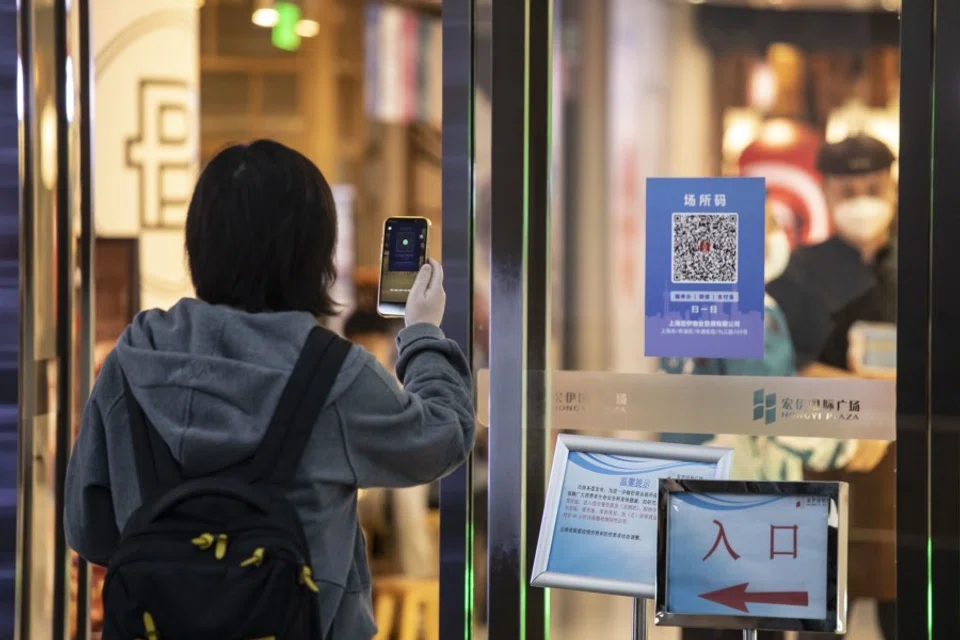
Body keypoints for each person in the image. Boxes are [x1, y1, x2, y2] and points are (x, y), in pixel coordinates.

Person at [63, 140, 475, 639]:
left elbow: (88, 529)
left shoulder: (131, 362)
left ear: (198, 244)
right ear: (313, 253)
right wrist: (424, 332)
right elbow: (443, 437)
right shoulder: (332, 374)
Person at [767, 134, 897, 640]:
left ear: (892, 186)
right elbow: (782, 368)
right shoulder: (800, 272)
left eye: (872, 186)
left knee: (908, 608)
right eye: (848, 191)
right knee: (822, 613)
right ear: (824, 191)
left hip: (903, 471)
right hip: (827, 461)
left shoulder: (927, 263)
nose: (862, 201)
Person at [345, 307, 437, 578]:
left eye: (372, 345)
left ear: (386, 344)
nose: (367, 353)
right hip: (357, 483)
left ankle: (414, 585)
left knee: (404, 495)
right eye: (359, 345)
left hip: (393, 481)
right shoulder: (342, 386)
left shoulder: (403, 387)